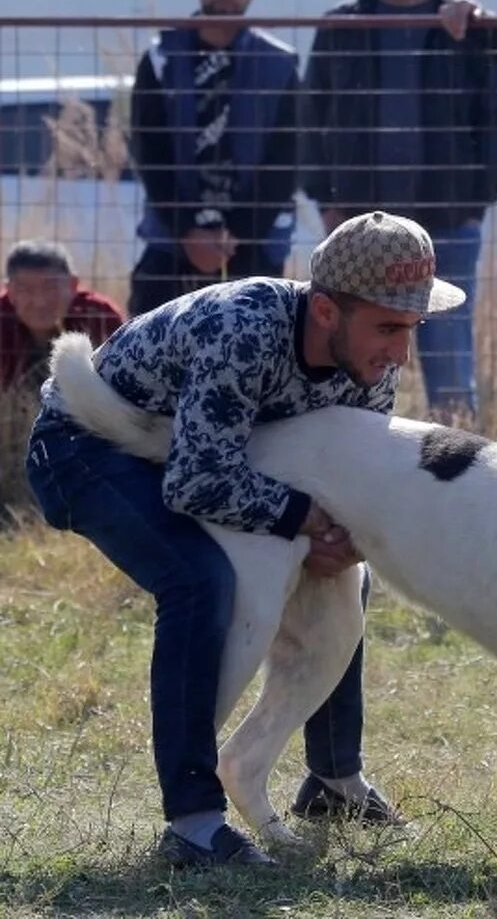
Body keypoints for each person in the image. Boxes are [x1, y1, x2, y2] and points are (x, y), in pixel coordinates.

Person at [24, 211, 451, 867]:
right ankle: (193, 825)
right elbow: (195, 483)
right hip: (88, 446)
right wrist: (306, 518)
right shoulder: (242, 330)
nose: (401, 353)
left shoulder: (370, 362)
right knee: (199, 581)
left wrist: (347, 535)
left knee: (342, 578)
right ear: (330, 313)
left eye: (412, 329)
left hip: (193, 457)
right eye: (389, 327)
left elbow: (351, 474)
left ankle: (334, 781)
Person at [303, 0, 497, 413]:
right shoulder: (342, 25)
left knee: (448, 355)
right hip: (360, 228)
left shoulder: (465, 24)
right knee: (351, 353)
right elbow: (310, 118)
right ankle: (353, 469)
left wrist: (473, 203)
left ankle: (456, 465)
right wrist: (327, 201)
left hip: (448, 219)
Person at [128, 0, 300, 316]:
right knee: (147, 353)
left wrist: (235, 231)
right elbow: (148, 150)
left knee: (256, 357)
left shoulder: (279, 64)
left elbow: (285, 160)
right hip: (172, 238)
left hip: (252, 241)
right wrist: (188, 231)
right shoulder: (161, 57)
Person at [0, 240, 123, 392]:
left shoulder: (100, 316)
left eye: (50, 288)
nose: (40, 301)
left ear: (73, 285)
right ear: (10, 292)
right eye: (26, 289)